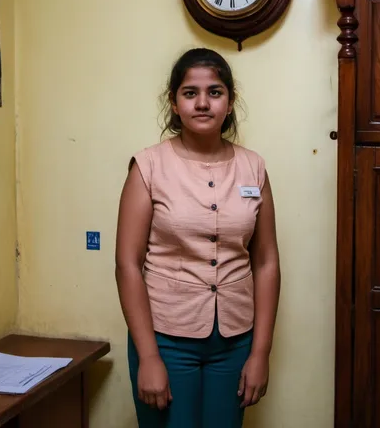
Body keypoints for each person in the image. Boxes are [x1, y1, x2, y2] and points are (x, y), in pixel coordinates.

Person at [115, 48, 281, 428]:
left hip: (235, 343)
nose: (203, 103)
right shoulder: (148, 166)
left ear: (230, 101)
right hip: (165, 341)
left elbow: (267, 261)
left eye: (215, 92)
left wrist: (260, 352)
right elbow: (127, 264)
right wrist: (149, 358)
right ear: (174, 103)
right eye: (190, 93)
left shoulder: (253, 167)